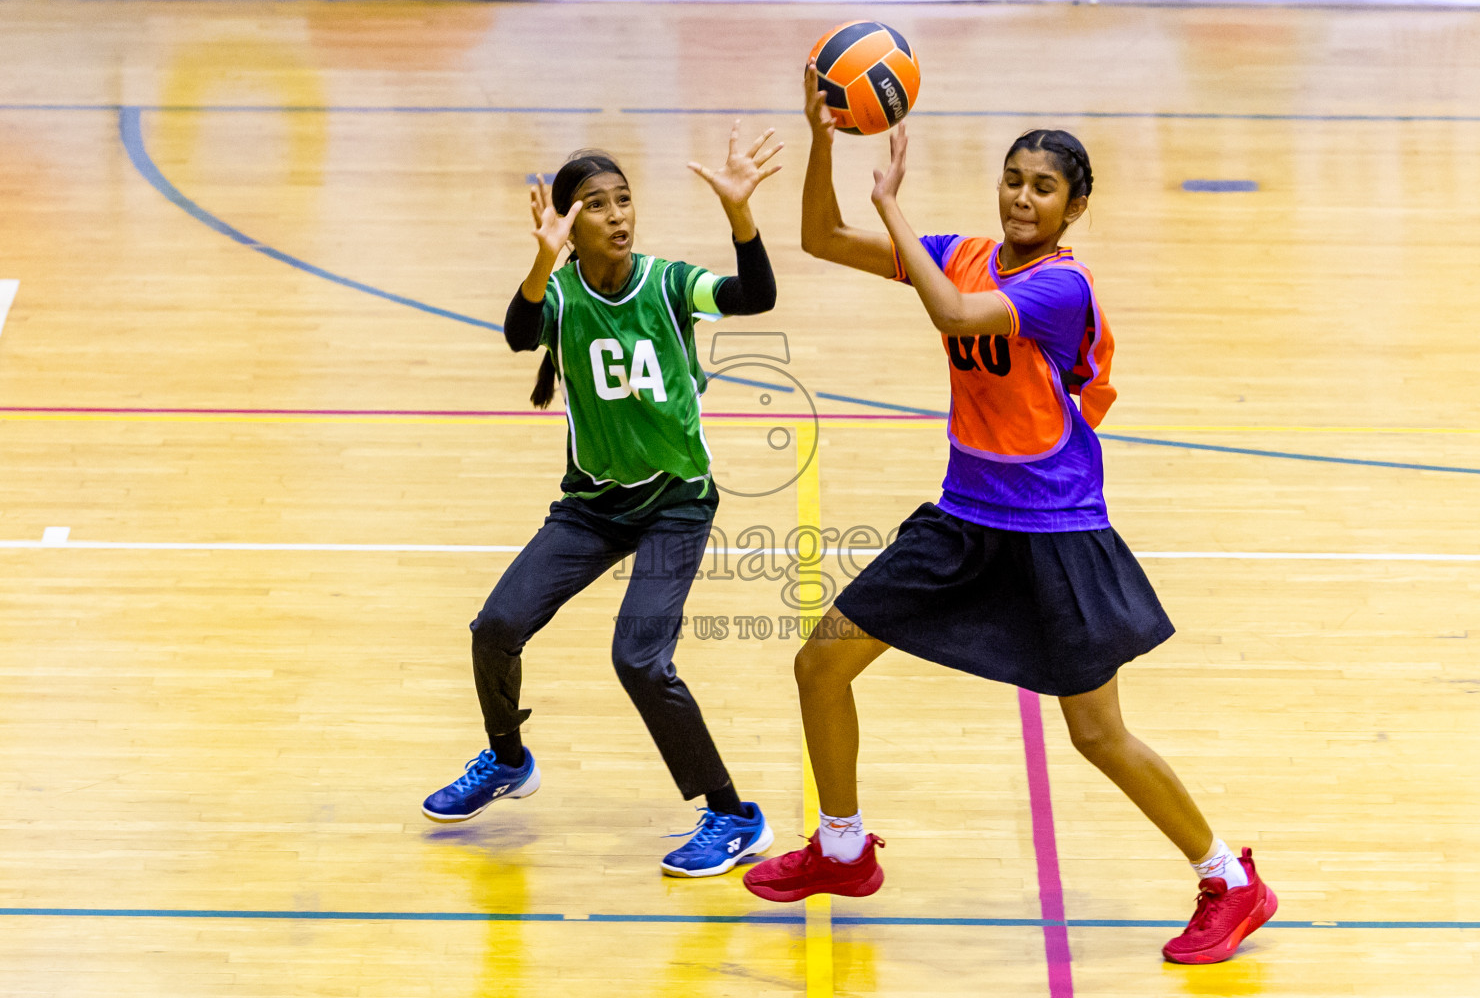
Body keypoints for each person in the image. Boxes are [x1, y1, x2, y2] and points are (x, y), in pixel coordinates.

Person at [742, 70, 1277, 965]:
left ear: (1075, 206)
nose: (1022, 198)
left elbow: (954, 316)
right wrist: (825, 139)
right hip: (961, 520)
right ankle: (841, 847)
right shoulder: (965, 251)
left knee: (1097, 735)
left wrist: (894, 210)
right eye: (1013, 180)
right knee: (820, 665)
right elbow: (818, 237)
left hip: (1055, 534)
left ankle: (1230, 879)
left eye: (1043, 187)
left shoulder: (1062, 287)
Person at [423, 124, 785, 879]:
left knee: (639, 660)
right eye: (596, 204)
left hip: (677, 503)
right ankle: (506, 760)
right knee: (495, 626)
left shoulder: (666, 283)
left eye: (624, 200)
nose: (618, 215)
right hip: (592, 506)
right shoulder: (559, 293)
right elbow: (520, 334)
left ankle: (731, 814)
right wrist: (540, 260)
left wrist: (741, 215)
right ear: (568, 222)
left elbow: (754, 294)